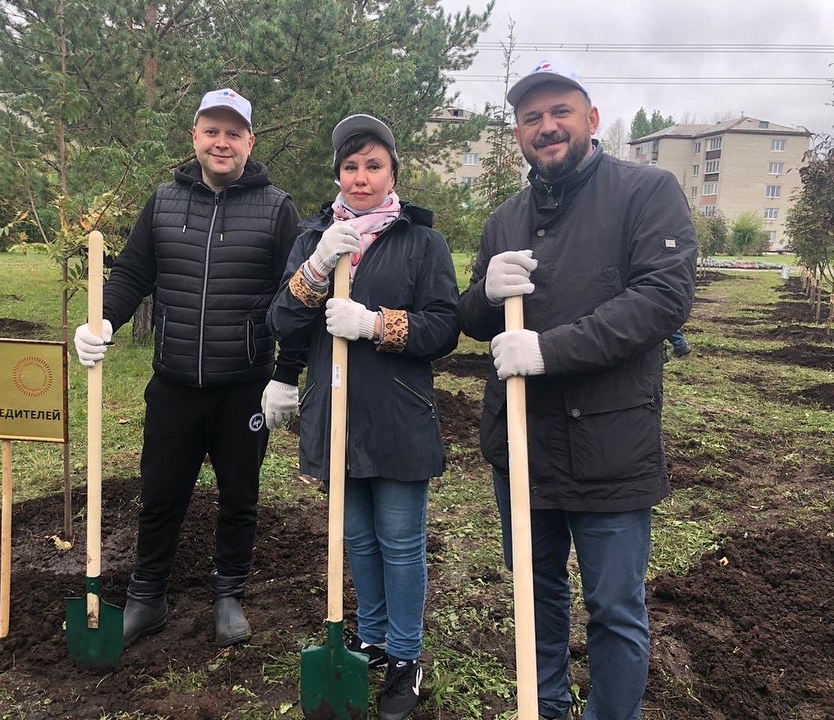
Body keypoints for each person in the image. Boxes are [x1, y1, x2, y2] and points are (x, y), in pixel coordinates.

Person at [457, 61, 696, 720]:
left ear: (591, 120)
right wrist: (484, 293)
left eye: (560, 111)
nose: (547, 126)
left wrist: (546, 350)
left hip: (610, 446)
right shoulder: (505, 219)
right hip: (523, 445)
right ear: (517, 135)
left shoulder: (647, 193)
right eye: (531, 118)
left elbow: (663, 299)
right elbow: (472, 320)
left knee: (615, 608)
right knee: (536, 595)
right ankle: (547, 708)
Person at [72, 88, 303, 649]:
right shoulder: (164, 202)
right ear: (195, 137)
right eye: (211, 130)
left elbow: (297, 296)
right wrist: (100, 321)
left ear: (250, 141)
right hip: (173, 381)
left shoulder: (277, 208)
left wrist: (286, 372)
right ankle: (148, 595)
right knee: (160, 493)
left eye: (233, 133)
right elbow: (131, 274)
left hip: (243, 384)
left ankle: (228, 594)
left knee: (240, 495)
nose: (221, 142)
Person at [267, 114, 459, 720]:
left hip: (398, 415)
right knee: (354, 537)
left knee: (400, 541)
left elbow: (443, 326)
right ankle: (373, 638)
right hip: (336, 412)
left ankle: (406, 656)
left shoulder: (421, 241)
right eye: (350, 167)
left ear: (392, 171)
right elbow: (282, 322)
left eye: (373, 165)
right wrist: (318, 267)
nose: (361, 178)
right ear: (338, 174)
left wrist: (376, 324)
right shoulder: (314, 238)